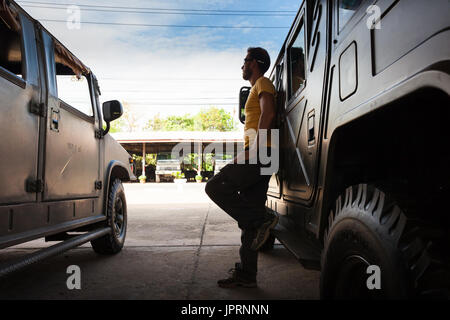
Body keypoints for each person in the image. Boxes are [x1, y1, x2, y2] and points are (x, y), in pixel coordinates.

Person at [205, 47, 279, 288]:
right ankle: (247, 275)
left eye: (245, 61)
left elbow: (268, 114)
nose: (242, 65)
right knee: (249, 221)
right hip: (262, 153)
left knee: (215, 187)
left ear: (255, 63)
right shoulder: (256, 87)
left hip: (263, 153)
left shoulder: (263, 83)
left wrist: (255, 151)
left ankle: (264, 218)